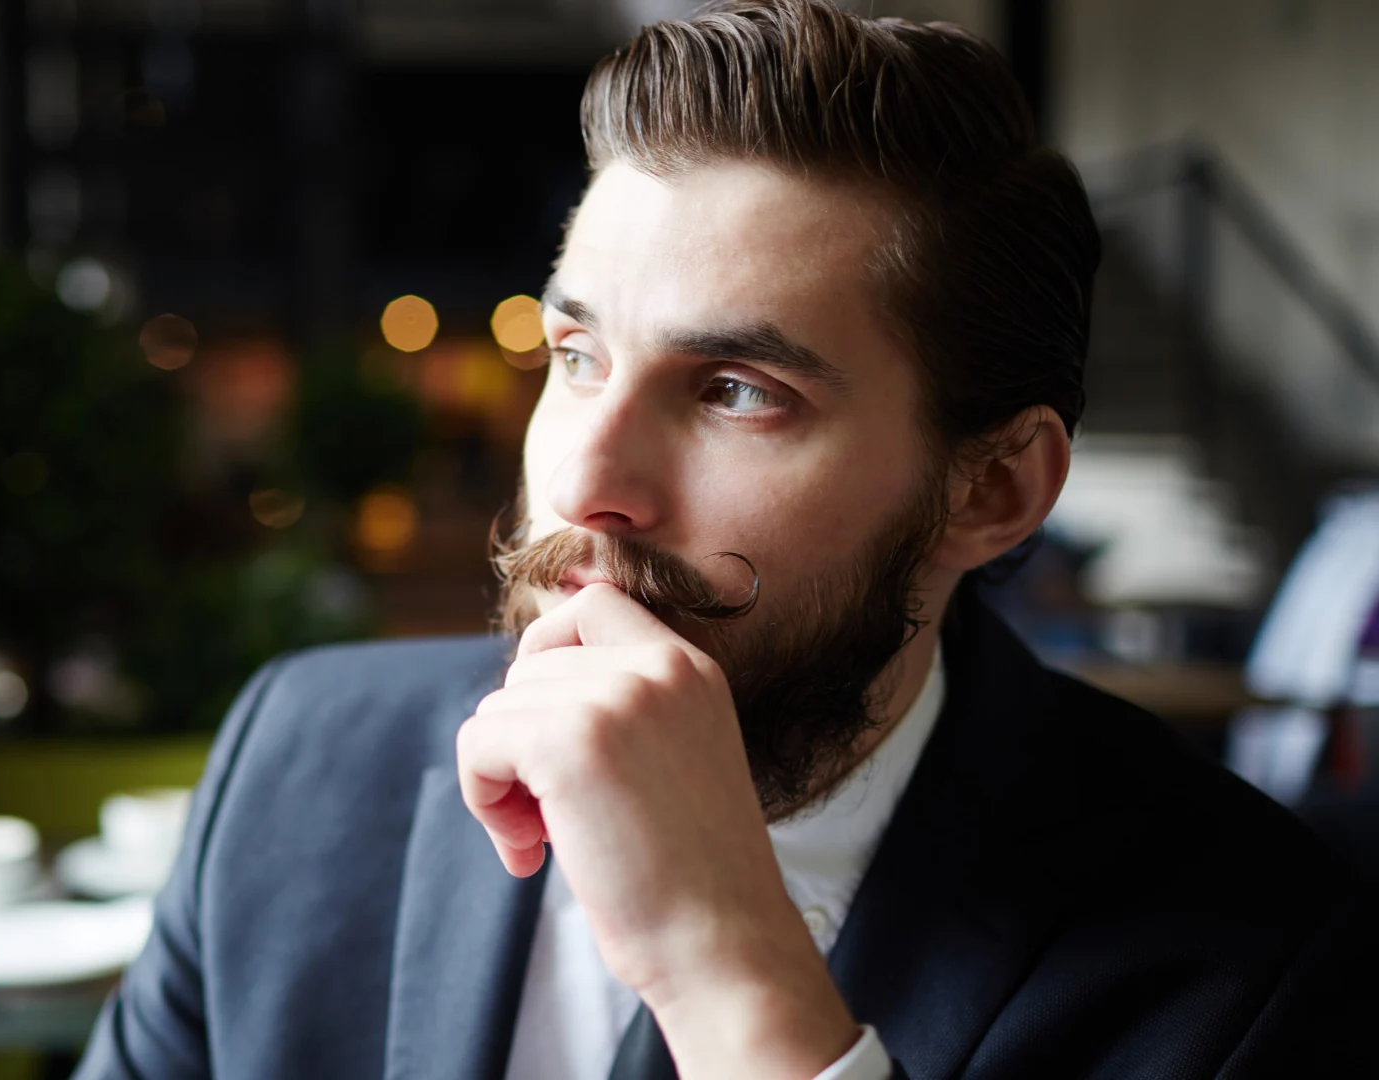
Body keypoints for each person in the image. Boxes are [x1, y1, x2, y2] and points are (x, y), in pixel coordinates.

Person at [74, 3, 1371, 1077]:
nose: (583, 479)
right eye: (575, 356)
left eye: (739, 391)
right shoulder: (295, 767)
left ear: (993, 493)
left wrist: (729, 974)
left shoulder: (1257, 959)